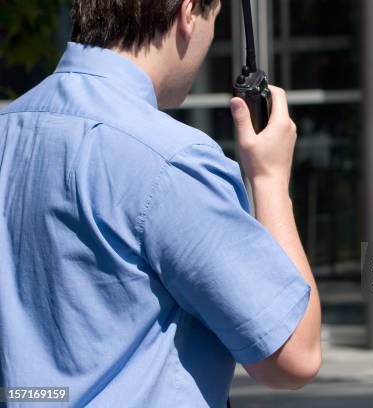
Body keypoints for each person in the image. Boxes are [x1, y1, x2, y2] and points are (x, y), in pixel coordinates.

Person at [0, 1, 321, 406]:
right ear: (188, 14)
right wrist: (270, 180)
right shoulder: (170, 160)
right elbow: (293, 356)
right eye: (213, 20)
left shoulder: (9, 128)